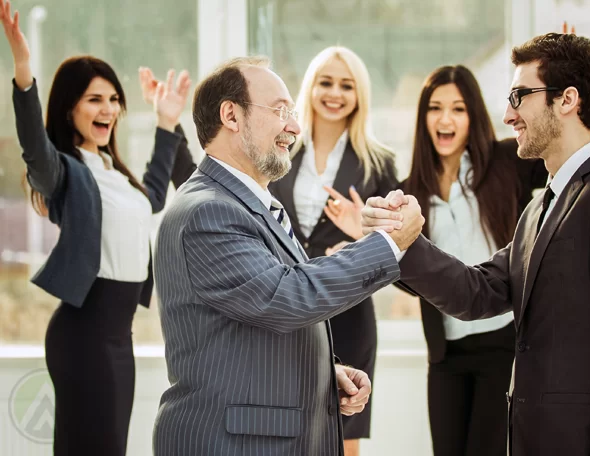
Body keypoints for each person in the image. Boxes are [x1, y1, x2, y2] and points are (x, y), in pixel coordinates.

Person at [362, 32, 590, 456]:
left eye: (519, 95)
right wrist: (408, 242)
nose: (508, 114)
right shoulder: (537, 211)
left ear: (567, 100)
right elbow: (477, 293)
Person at [152, 56, 424, 456]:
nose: (294, 127)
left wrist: (320, 375)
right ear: (231, 114)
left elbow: (247, 325)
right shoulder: (209, 211)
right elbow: (288, 298)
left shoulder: (247, 204)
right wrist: (385, 244)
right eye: (280, 111)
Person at [1, 2, 191, 454]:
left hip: (117, 335)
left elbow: (153, 200)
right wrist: (24, 71)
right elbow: (34, 149)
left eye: (112, 100)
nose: (108, 109)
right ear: (70, 110)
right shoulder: (64, 171)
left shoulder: (113, 171)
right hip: (83, 333)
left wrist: (167, 121)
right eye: (94, 99)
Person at [329, 64, 547, 455]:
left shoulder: (506, 162)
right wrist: (366, 236)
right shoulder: (412, 189)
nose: (445, 119)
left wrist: (562, 88)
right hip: (445, 352)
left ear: (473, 115)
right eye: (435, 108)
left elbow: (560, 155)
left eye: (458, 109)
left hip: (505, 343)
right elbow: (412, 278)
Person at [267, 46, 398, 455]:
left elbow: (396, 246)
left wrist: (361, 240)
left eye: (347, 85)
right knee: (285, 431)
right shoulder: (279, 151)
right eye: (326, 82)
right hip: (286, 310)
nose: (335, 93)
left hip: (349, 313)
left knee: (344, 438)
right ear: (310, 88)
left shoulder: (379, 163)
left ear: (360, 95)